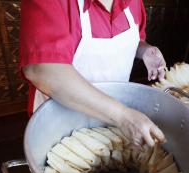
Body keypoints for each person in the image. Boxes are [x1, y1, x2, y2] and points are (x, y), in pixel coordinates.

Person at [19, 0, 166, 148]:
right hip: (61, 124)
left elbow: (134, 39)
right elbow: (43, 70)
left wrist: (145, 50)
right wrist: (123, 116)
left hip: (114, 117)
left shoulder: (133, 2)